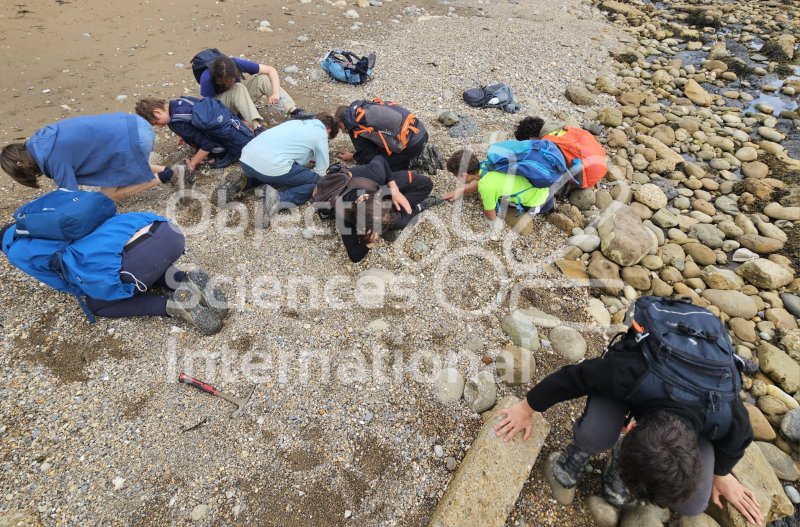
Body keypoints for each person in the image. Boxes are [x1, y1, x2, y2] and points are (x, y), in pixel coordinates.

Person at [493, 308, 763, 526]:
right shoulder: (626, 372)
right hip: (647, 376)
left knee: (694, 503)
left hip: (690, 394)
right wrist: (525, 408)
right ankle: (595, 459)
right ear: (632, 428)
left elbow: (740, 441)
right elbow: (572, 378)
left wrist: (722, 474)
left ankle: (630, 469)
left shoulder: (725, 417)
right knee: (594, 435)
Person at [1, 211, 226, 334]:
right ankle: (185, 280)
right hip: (163, 230)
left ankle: (173, 306)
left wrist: (96, 287)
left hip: (134, 261)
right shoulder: (43, 213)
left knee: (99, 302)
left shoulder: (16, 251)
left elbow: (66, 284)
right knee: (133, 257)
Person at [0, 113, 191, 200]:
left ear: (20, 163)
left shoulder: (52, 159)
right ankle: (172, 170)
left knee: (108, 197)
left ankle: (167, 176)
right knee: (115, 167)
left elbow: (70, 197)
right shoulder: (41, 139)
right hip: (132, 122)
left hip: (132, 141)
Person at [215, 113, 338, 225]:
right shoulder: (321, 133)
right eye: (328, 139)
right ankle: (277, 200)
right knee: (316, 182)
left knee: (272, 169)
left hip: (247, 160)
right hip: (271, 167)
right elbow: (322, 171)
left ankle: (244, 182)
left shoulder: (294, 122)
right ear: (328, 130)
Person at [314, 156, 441, 263]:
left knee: (426, 184)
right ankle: (421, 205)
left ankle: (394, 204)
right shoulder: (344, 218)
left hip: (370, 183)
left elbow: (380, 159)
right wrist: (369, 241)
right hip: (351, 199)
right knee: (400, 222)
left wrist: (394, 189)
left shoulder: (375, 174)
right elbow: (354, 256)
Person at [195, 53, 312, 133]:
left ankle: (294, 111)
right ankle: (257, 127)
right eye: (226, 82)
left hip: (239, 99)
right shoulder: (207, 78)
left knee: (263, 78)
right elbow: (208, 108)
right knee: (238, 87)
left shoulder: (234, 63)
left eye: (232, 79)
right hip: (221, 107)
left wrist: (275, 93)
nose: (230, 83)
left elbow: (271, 70)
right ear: (219, 79)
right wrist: (238, 121)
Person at [333, 99, 442, 173]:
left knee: (376, 165)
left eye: (341, 127)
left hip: (413, 146)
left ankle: (416, 161)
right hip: (420, 131)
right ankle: (416, 154)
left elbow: (367, 156)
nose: (343, 132)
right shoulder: (366, 107)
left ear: (344, 122)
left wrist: (355, 158)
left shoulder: (354, 126)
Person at [442, 149, 554, 221]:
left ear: (465, 175)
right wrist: (460, 191)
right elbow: (481, 182)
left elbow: (491, 216)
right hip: (543, 186)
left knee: (486, 198)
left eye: (455, 175)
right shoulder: (487, 164)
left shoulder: (486, 186)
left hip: (540, 203)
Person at [135, 97, 237, 171]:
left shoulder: (177, 122)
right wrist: (185, 135)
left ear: (157, 112)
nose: (159, 126)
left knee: (202, 154)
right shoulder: (179, 102)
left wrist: (193, 164)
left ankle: (213, 157)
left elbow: (207, 145)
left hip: (220, 147)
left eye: (156, 123)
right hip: (229, 129)